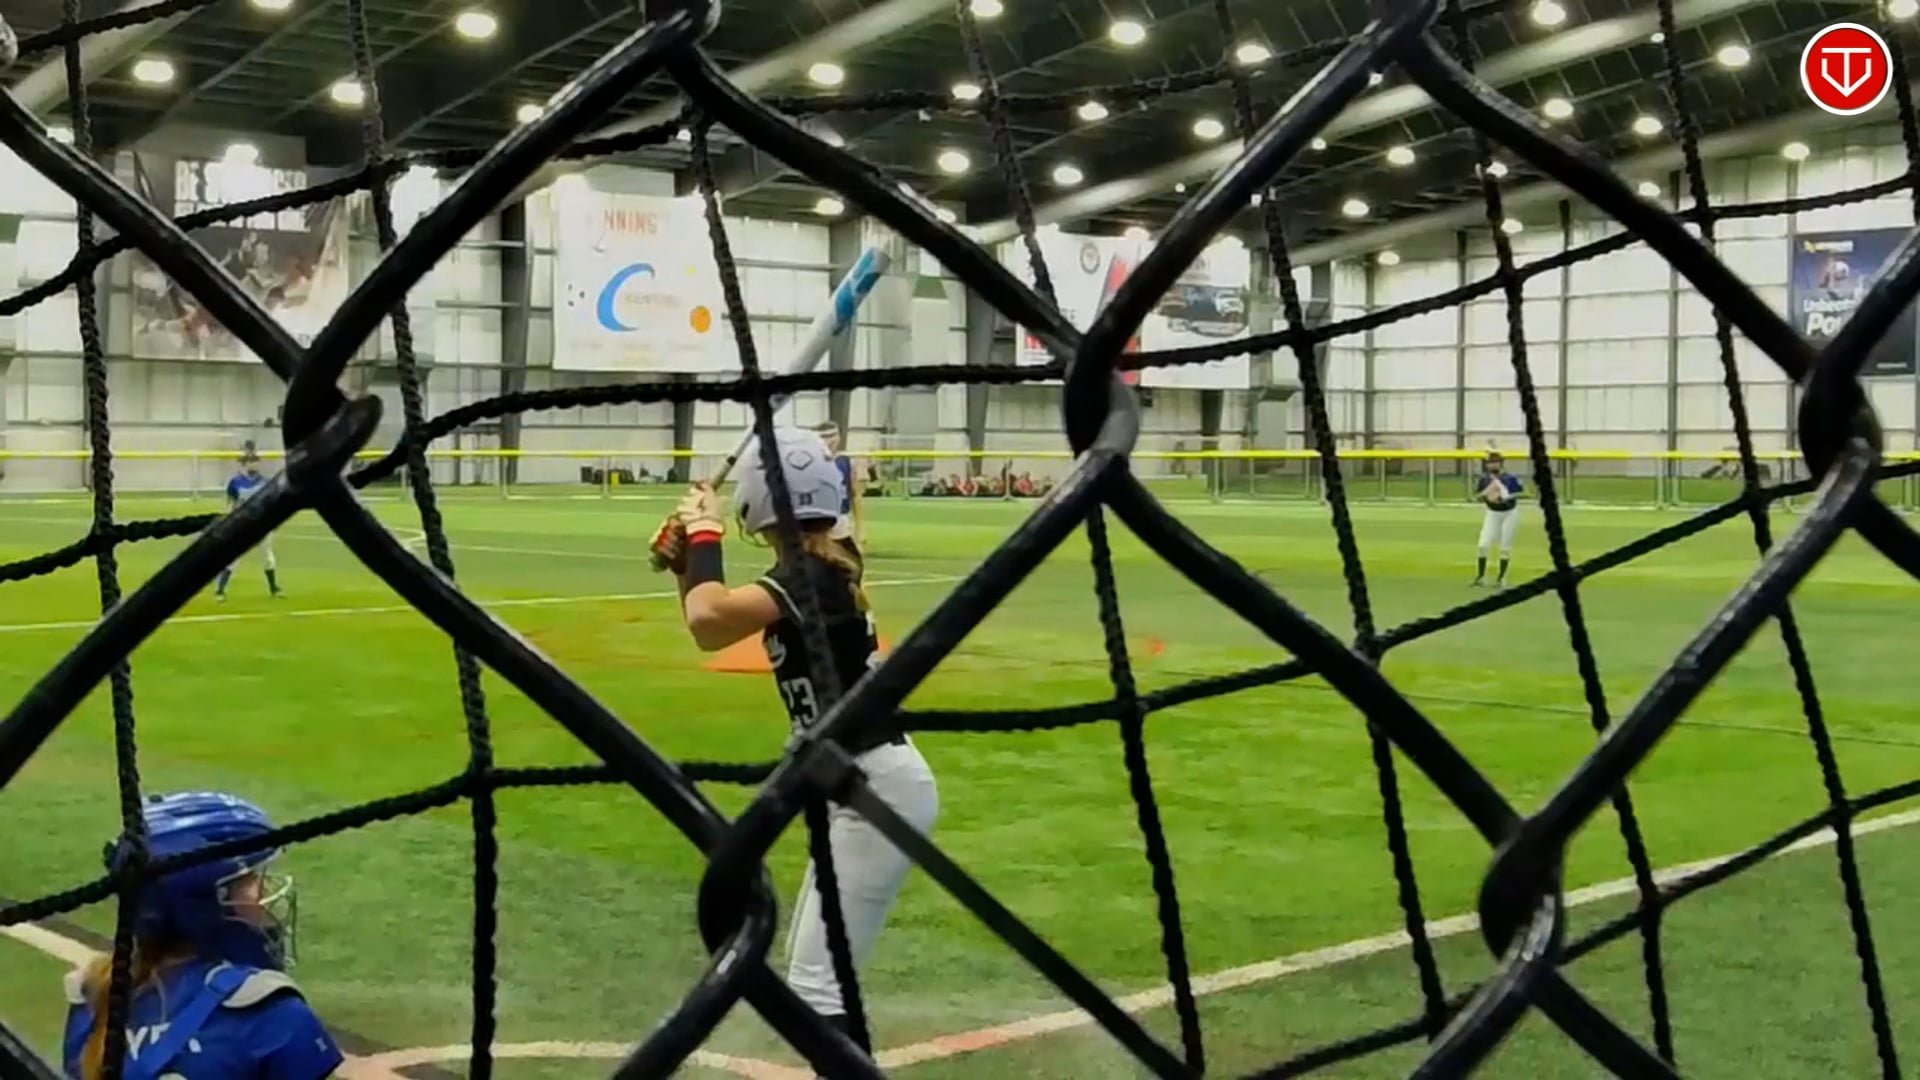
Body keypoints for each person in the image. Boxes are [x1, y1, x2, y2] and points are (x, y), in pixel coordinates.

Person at [655, 427, 938, 1045]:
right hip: (855, 783)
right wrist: (687, 563)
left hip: (876, 788)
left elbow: (708, 614)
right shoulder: (820, 567)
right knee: (816, 978)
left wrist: (704, 533)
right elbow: (709, 629)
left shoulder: (811, 576)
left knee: (818, 987)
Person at [62, 791, 340, 1080]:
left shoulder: (92, 1000)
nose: (264, 894)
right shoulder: (270, 1014)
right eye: (249, 881)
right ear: (203, 903)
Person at [215, 451, 282, 603]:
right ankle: (220, 590)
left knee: (268, 557)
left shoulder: (264, 482)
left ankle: (274, 588)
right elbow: (231, 504)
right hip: (242, 525)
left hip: (262, 524)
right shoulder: (235, 483)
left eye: (256, 462)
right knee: (233, 558)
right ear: (244, 464)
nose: (254, 465)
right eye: (251, 462)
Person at [1472, 449, 1524, 589]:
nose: (1492, 465)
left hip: (1509, 513)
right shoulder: (1484, 479)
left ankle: (1501, 578)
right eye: (1490, 462)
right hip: (1493, 513)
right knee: (1483, 544)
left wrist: (1505, 497)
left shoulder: (1509, 478)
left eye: (1495, 462)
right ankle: (1480, 577)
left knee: (1505, 547)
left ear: (1501, 463)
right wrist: (1487, 497)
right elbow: (1478, 495)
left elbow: (1521, 492)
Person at [813, 421, 866, 551]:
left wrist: (859, 530)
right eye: (824, 436)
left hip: (840, 518)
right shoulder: (810, 462)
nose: (830, 441)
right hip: (816, 519)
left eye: (833, 436)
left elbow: (856, 497)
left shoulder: (847, 462)